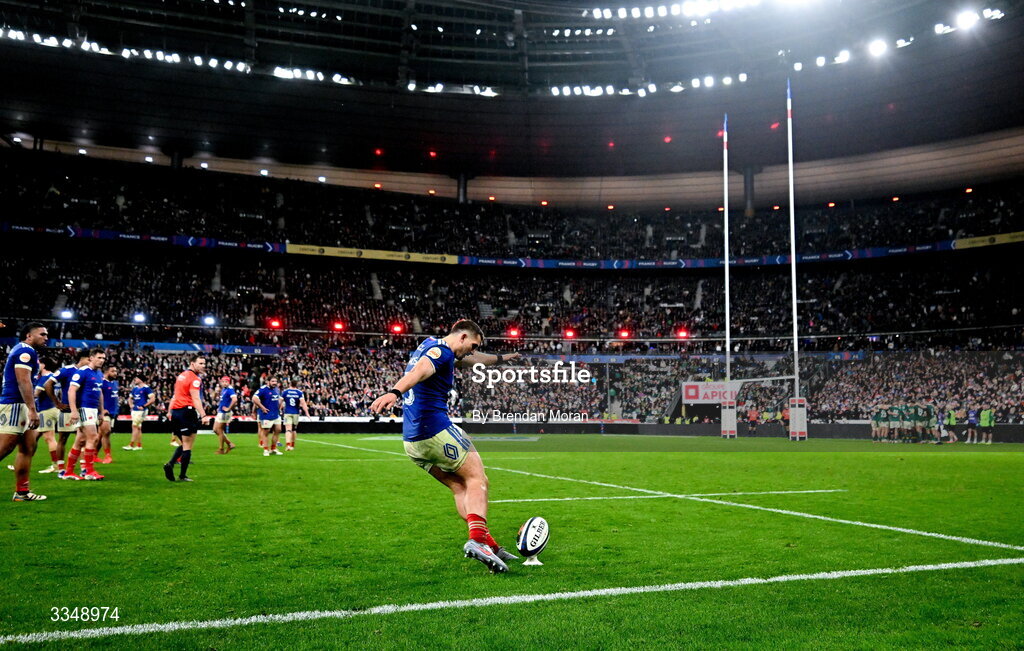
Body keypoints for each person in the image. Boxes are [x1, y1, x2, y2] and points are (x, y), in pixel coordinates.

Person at [370, 319, 521, 573]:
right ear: (462, 337)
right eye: (472, 345)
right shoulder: (440, 354)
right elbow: (419, 372)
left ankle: (490, 546)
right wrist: (393, 393)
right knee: (478, 479)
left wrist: (502, 358)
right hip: (435, 431)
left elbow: (473, 361)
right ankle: (476, 541)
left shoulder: (432, 345)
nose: (472, 350)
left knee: (459, 487)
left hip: (412, 442)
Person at [0, 323, 49, 501]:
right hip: (15, 404)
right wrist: (32, 409)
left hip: (20, 405)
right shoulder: (24, 351)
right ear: (29, 335)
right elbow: (23, 381)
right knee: (4, 448)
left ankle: (21, 492)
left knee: (28, 447)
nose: (46, 337)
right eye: (42, 334)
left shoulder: (25, 351)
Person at [163, 354, 211, 482]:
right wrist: (203, 415)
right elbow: (196, 398)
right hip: (187, 412)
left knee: (184, 443)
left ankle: (171, 464)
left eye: (204, 363)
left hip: (176, 413)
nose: (203, 366)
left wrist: (169, 411)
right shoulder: (195, 379)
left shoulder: (181, 376)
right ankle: (180, 473)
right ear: (192, 363)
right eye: (200, 363)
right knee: (188, 445)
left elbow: (174, 396)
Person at [44, 350, 91, 475]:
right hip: (67, 410)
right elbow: (48, 384)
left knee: (83, 439)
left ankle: (83, 467)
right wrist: (57, 403)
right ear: (82, 358)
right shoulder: (66, 370)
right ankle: (61, 468)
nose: (90, 362)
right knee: (63, 439)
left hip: (83, 410)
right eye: (89, 359)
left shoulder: (89, 372)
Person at [64, 348, 107, 481]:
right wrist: (74, 410)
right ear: (91, 358)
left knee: (80, 440)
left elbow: (99, 393)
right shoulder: (82, 372)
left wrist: (101, 411)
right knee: (93, 437)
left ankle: (69, 472)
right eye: (99, 357)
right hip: (84, 408)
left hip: (93, 409)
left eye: (103, 358)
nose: (102, 360)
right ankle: (89, 471)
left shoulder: (98, 374)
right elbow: (71, 390)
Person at [33, 357, 62, 474]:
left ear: (43, 365)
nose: (37, 366)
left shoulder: (44, 378)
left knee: (50, 438)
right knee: (33, 437)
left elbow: (36, 394)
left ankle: (55, 465)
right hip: (54, 409)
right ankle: (25, 460)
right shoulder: (55, 378)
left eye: (39, 363)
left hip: (46, 410)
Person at [253, 377, 284, 456]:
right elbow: (254, 398)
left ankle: (273, 449)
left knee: (278, 430)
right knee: (266, 432)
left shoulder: (276, 389)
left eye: (275, 381)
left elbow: (279, 399)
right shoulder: (263, 389)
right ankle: (266, 450)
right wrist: (262, 408)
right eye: (272, 381)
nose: (274, 383)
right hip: (267, 415)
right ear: (268, 382)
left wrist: (280, 407)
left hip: (276, 414)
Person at [125, 374, 155, 451]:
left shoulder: (146, 388)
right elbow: (130, 398)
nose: (135, 380)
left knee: (134, 426)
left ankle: (131, 445)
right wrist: (131, 405)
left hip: (141, 410)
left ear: (141, 380)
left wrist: (144, 406)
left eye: (136, 378)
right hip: (135, 410)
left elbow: (152, 399)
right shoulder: (135, 389)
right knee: (138, 428)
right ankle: (139, 445)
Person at [281, 379, 310, 452]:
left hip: (287, 412)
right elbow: (303, 403)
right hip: (296, 413)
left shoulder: (285, 392)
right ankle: (292, 445)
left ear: (290, 384)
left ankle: (288, 445)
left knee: (288, 429)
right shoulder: (299, 392)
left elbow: (280, 402)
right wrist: (307, 413)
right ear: (296, 385)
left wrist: (277, 410)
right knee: (294, 430)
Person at [98, 365, 119, 463]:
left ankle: (93, 455)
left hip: (113, 412)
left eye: (116, 371)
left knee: (99, 435)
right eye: (113, 371)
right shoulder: (101, 382)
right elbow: (97, 396)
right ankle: (107, 455)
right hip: (104, 412)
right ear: (106, 372)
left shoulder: (115, 383)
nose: (115, 373)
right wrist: (101, 410)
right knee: (106, 432)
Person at [213, 376, 237, 454]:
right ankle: (229, 444)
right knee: (215, 430)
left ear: (229, 382)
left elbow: (235, 399)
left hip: (224, 413)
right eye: (223, 382)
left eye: (226, 382)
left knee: (219, 430)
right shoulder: (224, 389)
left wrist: (229, 408)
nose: (224, 383)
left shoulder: (230, 390)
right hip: (221, 411)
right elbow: (218, 399)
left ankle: (221, 449)